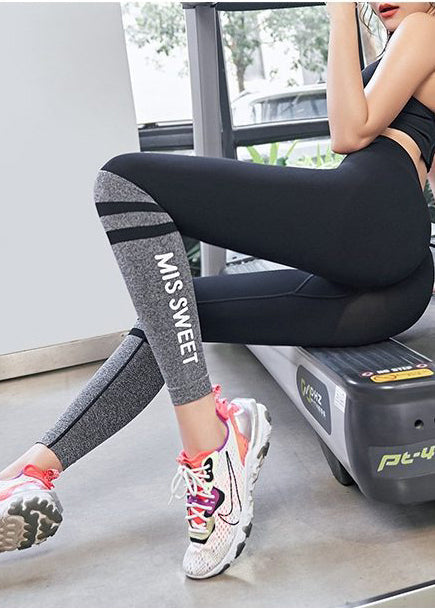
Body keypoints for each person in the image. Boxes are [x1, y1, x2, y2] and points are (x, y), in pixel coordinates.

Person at [0, 1, 434, 579]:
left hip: (369, 219)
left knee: (124, 180)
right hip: (396, 284)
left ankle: (211, 447)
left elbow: (348, 132)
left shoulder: (426, 26)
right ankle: (32, 470)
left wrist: (337, 16)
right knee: (171, 316)